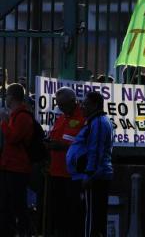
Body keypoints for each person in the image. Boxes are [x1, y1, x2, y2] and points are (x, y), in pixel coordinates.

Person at [67, 91, 113, 237]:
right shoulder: (96, 121)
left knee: (91, 217)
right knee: (95, 215)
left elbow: (95, 150)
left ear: (95, 105)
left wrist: (89, 174)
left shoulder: (98, 122)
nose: (82, 108)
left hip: (94, 177)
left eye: (85, 104)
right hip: (96, 175)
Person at [47, 87, 85, 237]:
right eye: (58, 105)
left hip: (72, 175)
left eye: (63, 104)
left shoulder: (83, 117)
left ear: (72, 101)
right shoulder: (61, 117)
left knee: (73, 213)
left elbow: (84, 145)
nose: (61, 108)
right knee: (59, 212)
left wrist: (63, 146)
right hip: (56, 172)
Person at [0, 82, 34, 236]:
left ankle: (25, 231)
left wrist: (5, 123)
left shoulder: (22, 116)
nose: (5, 98)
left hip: (18, 168)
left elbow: (13, 138)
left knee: (18, 204)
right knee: (6, 204)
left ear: (12, 97)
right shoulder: (14, 115)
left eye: (7, 95)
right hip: (9, 166)